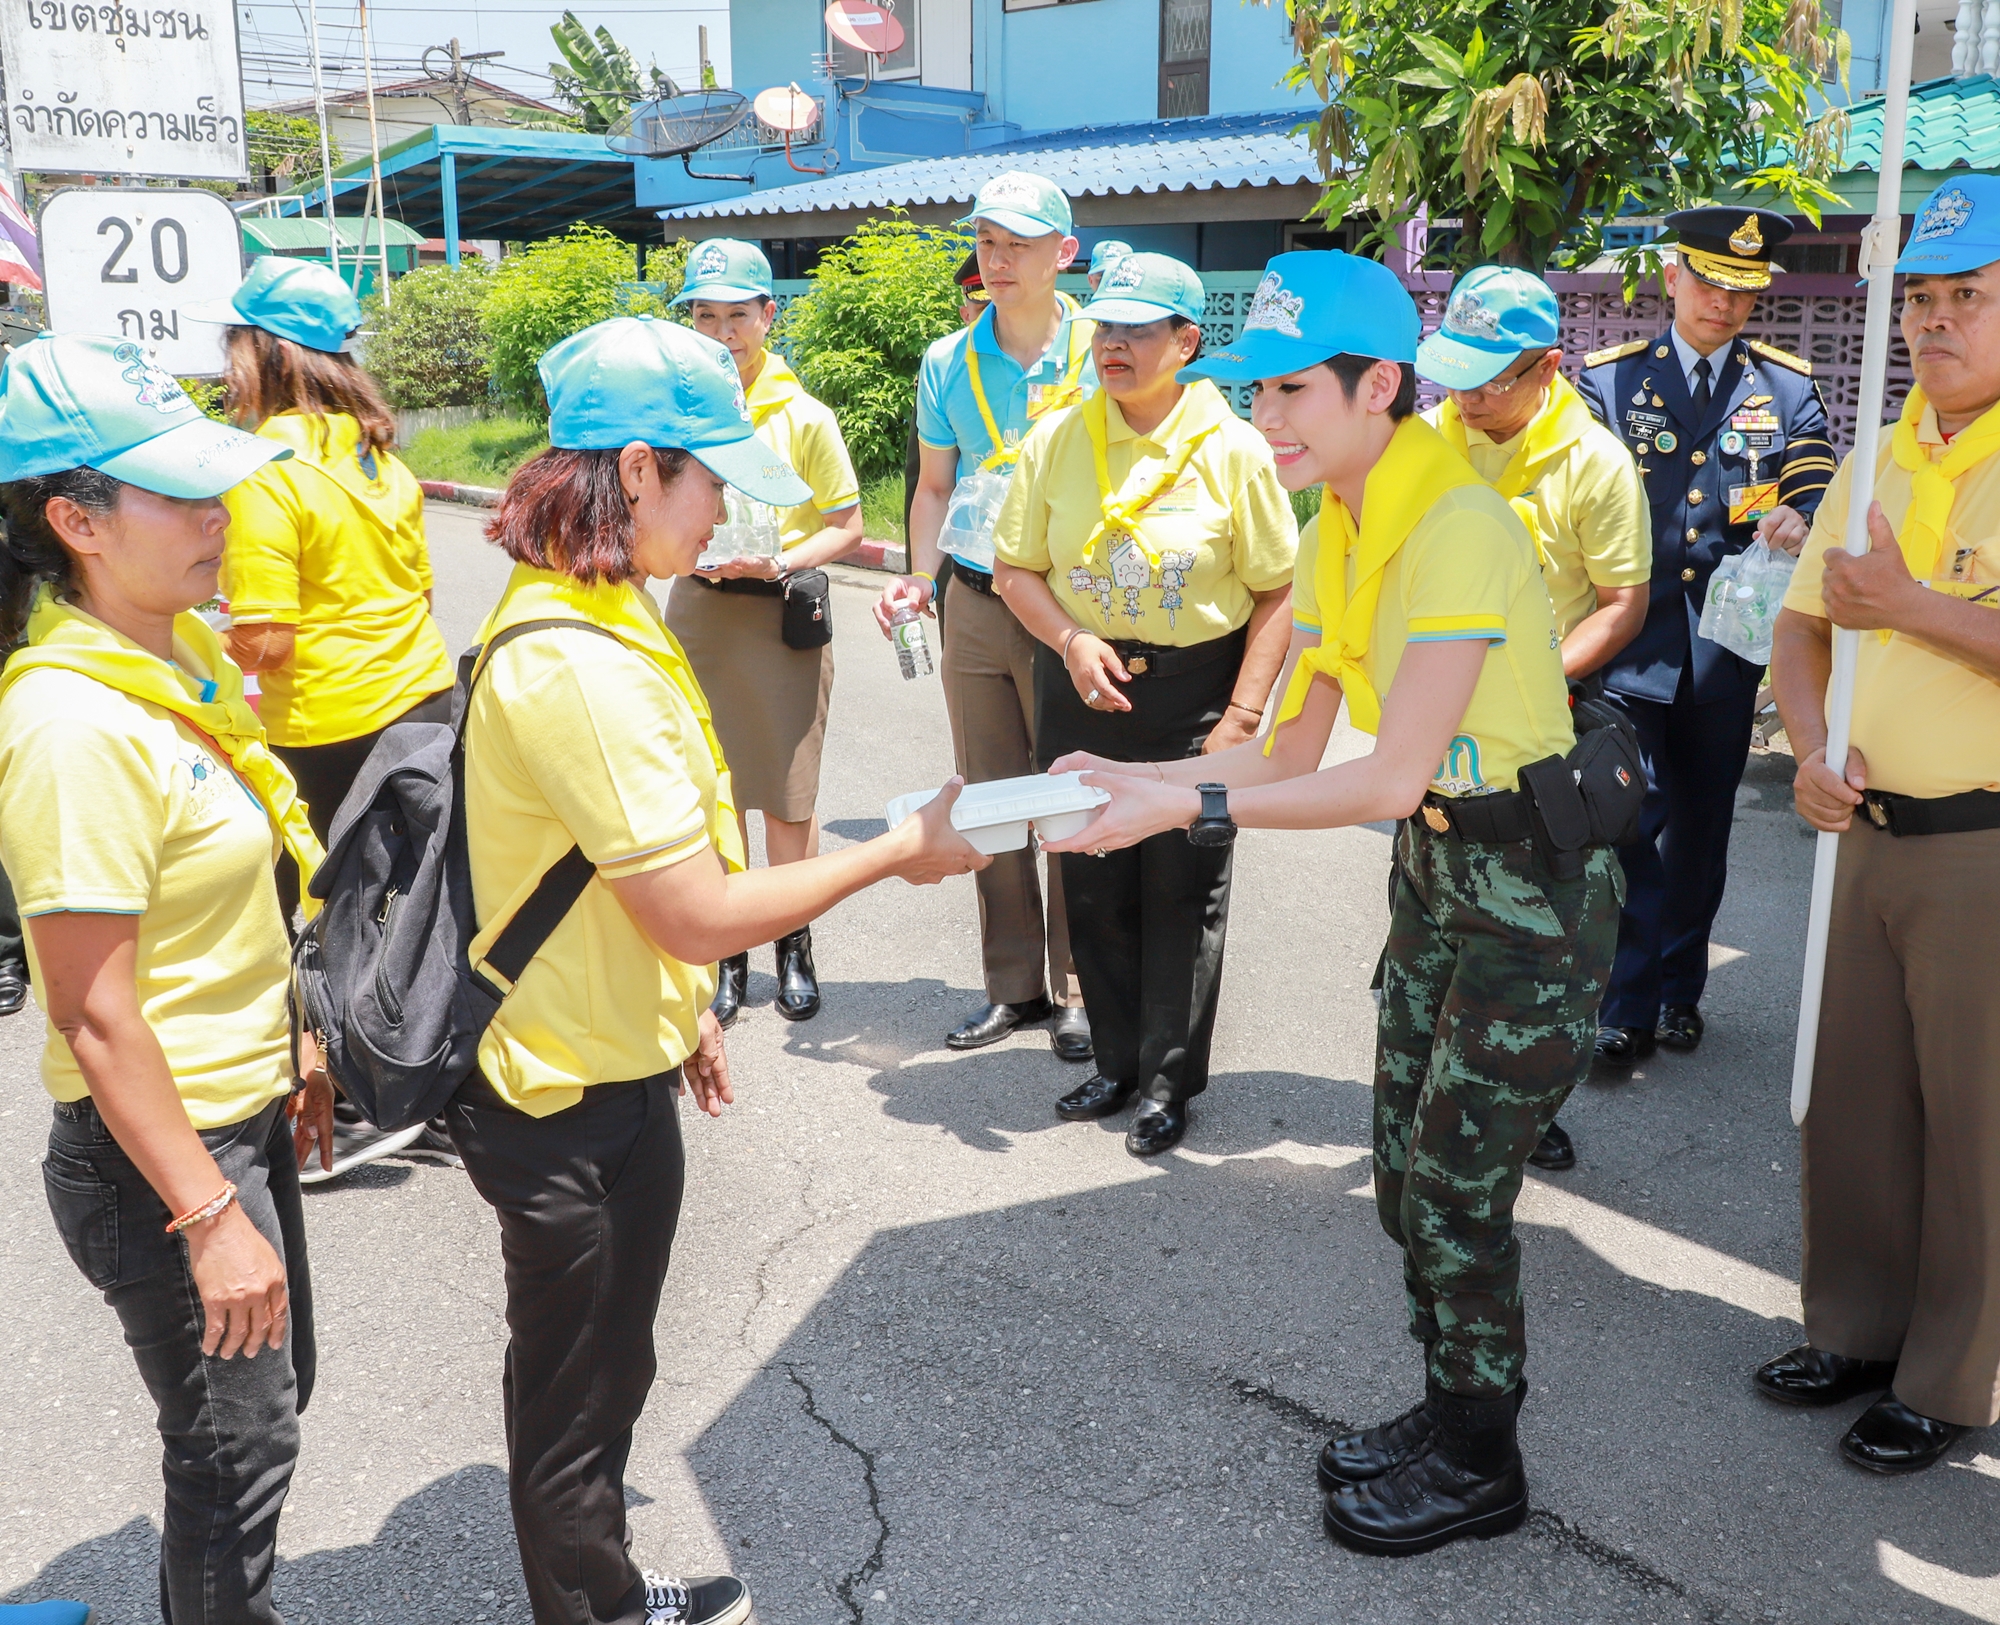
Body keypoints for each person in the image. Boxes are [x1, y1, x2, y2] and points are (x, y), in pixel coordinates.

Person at [1042, 251, 1622, 1555]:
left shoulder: (1457, 522)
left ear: (1379, 387)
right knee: (1404, 1172)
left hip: (1531, 897)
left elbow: (1387, 772)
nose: (1268, 418)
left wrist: (1181, 811)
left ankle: (1482, 1458)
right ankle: (1451, 1397)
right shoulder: (1334, 526)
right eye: (1257, 390)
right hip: (1437, 872)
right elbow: (1290, 749)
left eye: (1293, 389)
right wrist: (1139, 781)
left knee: (1459, 1191)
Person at [457, 315, 984, 1625]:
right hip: (564, 1087)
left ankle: (598, 1588)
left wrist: (682, 1004)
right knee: (578, 1390)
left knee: (597, 1368)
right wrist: (897, 852)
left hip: (605, 1043)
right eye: (710, 482)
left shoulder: (599, 603)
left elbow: (631, 877)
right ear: (637, 470)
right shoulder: (581, 660)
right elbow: (695, 906)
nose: (725, 514)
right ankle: (597, 1610)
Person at [0, 333, 337, 1622]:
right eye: (180, 495)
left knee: (259, 1416)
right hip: (160, 1153)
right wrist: (206, 1215)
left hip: (231, 1112)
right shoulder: (74, 724)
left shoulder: (171, 650)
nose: (218, 516)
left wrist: (292, 1035)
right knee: (232, 1455)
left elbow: (229, 892)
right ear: (75, 520)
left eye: (215, 488)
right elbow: (93, 1011)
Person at [1758, 175, 2000, 1475]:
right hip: (1864, 831)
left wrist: (1909, 606)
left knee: (1975, 1125)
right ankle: (1852, 1327)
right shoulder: (1878, 450)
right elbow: (1800, 626)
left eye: (1969, 295)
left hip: (1982, 846)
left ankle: (1948, 1377)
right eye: (1920, 299)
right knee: (1852, 1099)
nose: (1935, 320)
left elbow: (1885, 609)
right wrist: (1808, 750)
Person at [993, 252, 1295, 1154]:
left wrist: (1242, 716)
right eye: (1104, 328)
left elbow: (1280, 590)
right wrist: (1069, 641)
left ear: (1187, 342)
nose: (1112, 345)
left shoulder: (1234, 449)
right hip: (1082, 683)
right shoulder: (1057, 438)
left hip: (1195, 693)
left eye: (1137, 329)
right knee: (1090, 879)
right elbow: (1014, 569)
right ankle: (1116, 1060)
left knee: (1182, 887)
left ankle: (1168, 1080)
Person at [183, 256, 456, 1179]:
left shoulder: (264, 467)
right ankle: (428, 1089)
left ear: (264, 351)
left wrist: (189, 636)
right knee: (412, 909)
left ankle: (354, 1105)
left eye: (233, 343)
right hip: (423, 702)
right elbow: (419, 590)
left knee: (322, 918)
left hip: (330, 726)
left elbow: (268, 639)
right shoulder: (380, 454)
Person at [1577, 208, 1835, 1067]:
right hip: (1629, 642)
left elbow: (1813, 464)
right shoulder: (1612, 381)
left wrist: (1799, 511)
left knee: (1701, 833)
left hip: (1727, 650)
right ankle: (1623, 1003)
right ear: (1673, 279)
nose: (1723, 304)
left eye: (1742, 292)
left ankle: (1678, 992)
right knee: (1628, 823)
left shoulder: (1785, 387)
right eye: (1709, 284)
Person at [1418, 265, 1651, 1172]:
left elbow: (1621, 602)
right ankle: (1435, 1087)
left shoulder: (1594, 463)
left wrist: (1537, 682)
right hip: (1437, 724)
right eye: (1456, 375)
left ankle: (1525, 1100)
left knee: (1535, 935)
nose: (1467, 398)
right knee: (1435, 912)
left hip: (1539, 735)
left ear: (1548, 367)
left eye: (1489, 380)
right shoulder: (1431, 440)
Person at [874, 171, 1096, 1060]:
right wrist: (918, 580)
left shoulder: (1100, 350)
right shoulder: (947, 361)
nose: (997, 260)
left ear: (1063, 253)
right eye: (986, 242)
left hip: (1070, 603)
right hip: (971, 597)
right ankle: (1014, 986)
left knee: (1071, 792)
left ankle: (1079, 987)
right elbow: (934, 487)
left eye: (1018, 244)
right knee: (991, 793)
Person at [665, 239, 865, 1027]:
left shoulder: (805, 415)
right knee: (711, 786)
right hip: (701, 614)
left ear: (768, 316)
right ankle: (728, 953)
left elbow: (848, 525)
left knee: (786, 794)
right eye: (705, 316)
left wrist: (779, 561)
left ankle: (793, 946)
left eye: (737, 316)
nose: (723, 333)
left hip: (781, 615)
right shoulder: (678, 414)